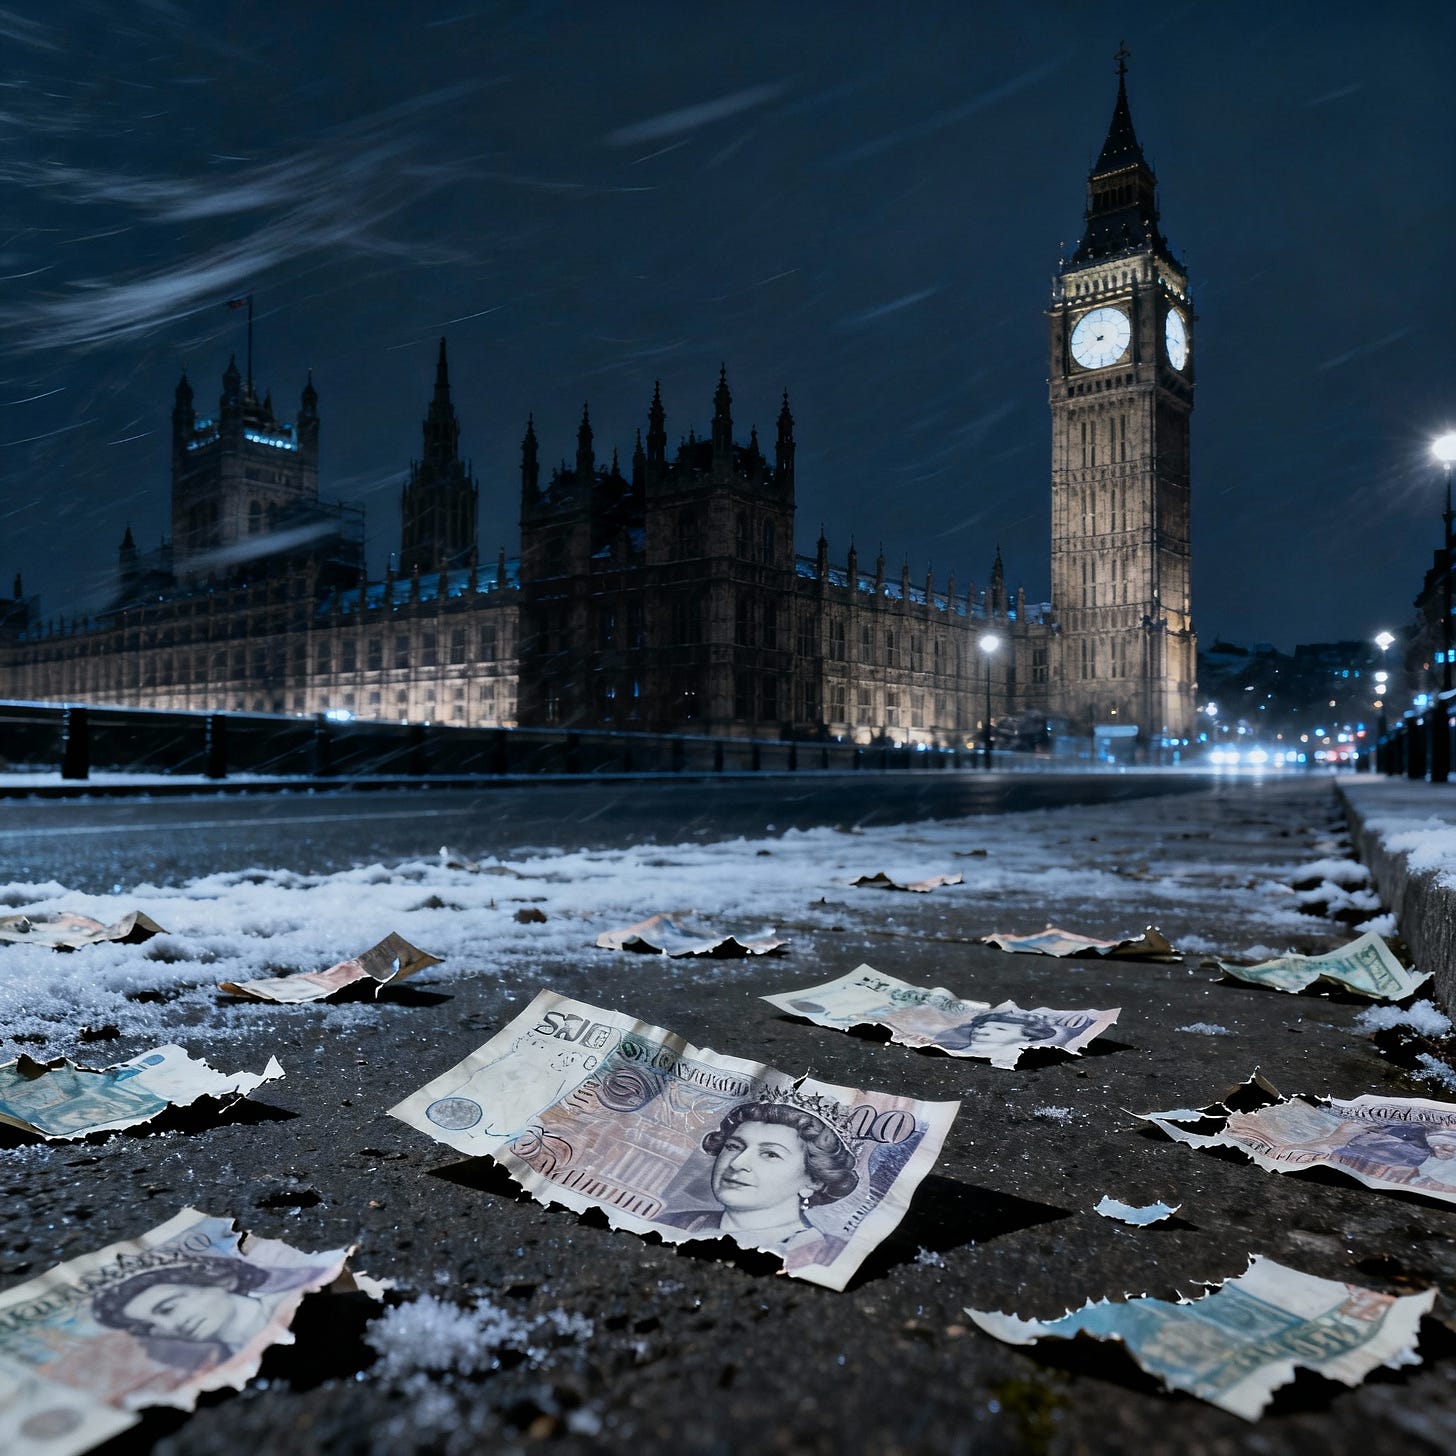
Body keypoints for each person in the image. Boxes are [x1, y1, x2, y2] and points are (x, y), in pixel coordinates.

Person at [661, 1102, 859, 1252]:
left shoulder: (812, 1252)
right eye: (733, 1146)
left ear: (815, 1181)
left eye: (771, 1154)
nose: (737, 1163)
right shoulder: (675, 1222)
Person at [91, 1257, 272, 1372]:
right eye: (149, 1327)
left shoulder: (295, 1303)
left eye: (168, 1308)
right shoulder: (223, 1370)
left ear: (220, 1280)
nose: (169, 1327)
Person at [940, 1008, 1063, 1059]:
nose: (981, 1031)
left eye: (1000, 1029)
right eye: (981, 1027)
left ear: (1026, 1038)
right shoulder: (947, 1045)